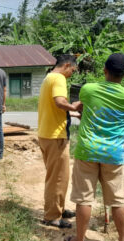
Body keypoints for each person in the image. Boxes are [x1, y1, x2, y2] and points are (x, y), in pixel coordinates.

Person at [64, 53, 124, 241]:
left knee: (84, 199)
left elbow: (83, 103)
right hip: (113, 155)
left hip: (87, 151)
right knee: (118, 200)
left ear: (104, 70)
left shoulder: (88, 90)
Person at [38, 54, 82, 228]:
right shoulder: (59, 78)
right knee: (57, 178)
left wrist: (72, 113)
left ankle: (59, 208)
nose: (72, 73)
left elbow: (54, 108)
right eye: (72, 69)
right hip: (55, 136)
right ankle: (52, 216)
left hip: (47, 133)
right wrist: (74, 106)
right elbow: (59, 102)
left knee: (60, 176)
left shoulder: (48, 77)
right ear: (66, 65)